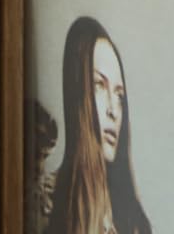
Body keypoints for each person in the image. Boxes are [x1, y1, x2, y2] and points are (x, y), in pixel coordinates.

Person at [42, 15, 150, 234]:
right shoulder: (46, 206)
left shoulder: (133, 220)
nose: (113, 110)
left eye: (119, 96)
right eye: (100, 85)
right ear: (78, 91)